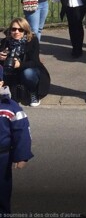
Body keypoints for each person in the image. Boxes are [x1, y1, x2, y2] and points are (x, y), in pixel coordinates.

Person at [0, 65, 34, 215]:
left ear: (1, 83)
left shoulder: (11, 107)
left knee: (2, 189)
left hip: (2, 156)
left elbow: (22, 132)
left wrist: (21, 155)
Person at [0, 18, 50, 107]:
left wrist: (20, 65)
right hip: (12, 73)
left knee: (28, 73)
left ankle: (33, 92)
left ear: (25, 31)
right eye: (14, 29)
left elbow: (35, 62)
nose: (16, 32)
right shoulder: (5, 41)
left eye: (20, 30)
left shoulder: (32, 41)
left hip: (30, 70)